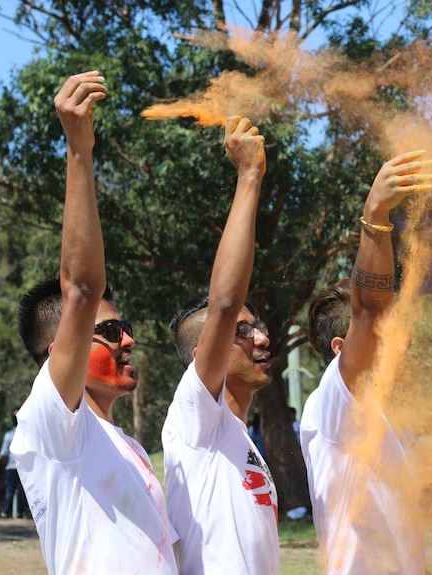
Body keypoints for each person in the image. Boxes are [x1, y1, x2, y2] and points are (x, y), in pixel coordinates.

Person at [12, 71, 177, 574]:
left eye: (122, 326)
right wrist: (80, 151)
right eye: (106, 332)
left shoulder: (130, 449)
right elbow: (82, 289)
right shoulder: (52, 428)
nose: (127, 339)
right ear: (58, 354)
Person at [300, 150, 432, 574]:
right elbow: (370, 312)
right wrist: (376, 216)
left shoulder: (389, 418)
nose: (402, 342)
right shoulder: (336, 407)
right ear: (342, 349)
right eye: (387, 338)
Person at [163, 116, 280, 574]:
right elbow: (225, 302)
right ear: (202, 357)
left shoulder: (242, 440)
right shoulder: (195, 420)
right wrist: (249, 177)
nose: (262, 338)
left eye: (259, 327)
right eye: (243, 332)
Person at [0, 407, 28, 519]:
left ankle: (6, 512)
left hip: (11, 466)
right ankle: (19, 512)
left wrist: (3, 463)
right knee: (22, 491)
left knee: (10, 490)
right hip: (25, 467)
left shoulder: (9, 434)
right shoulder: (29, 433)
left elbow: (4, 452)